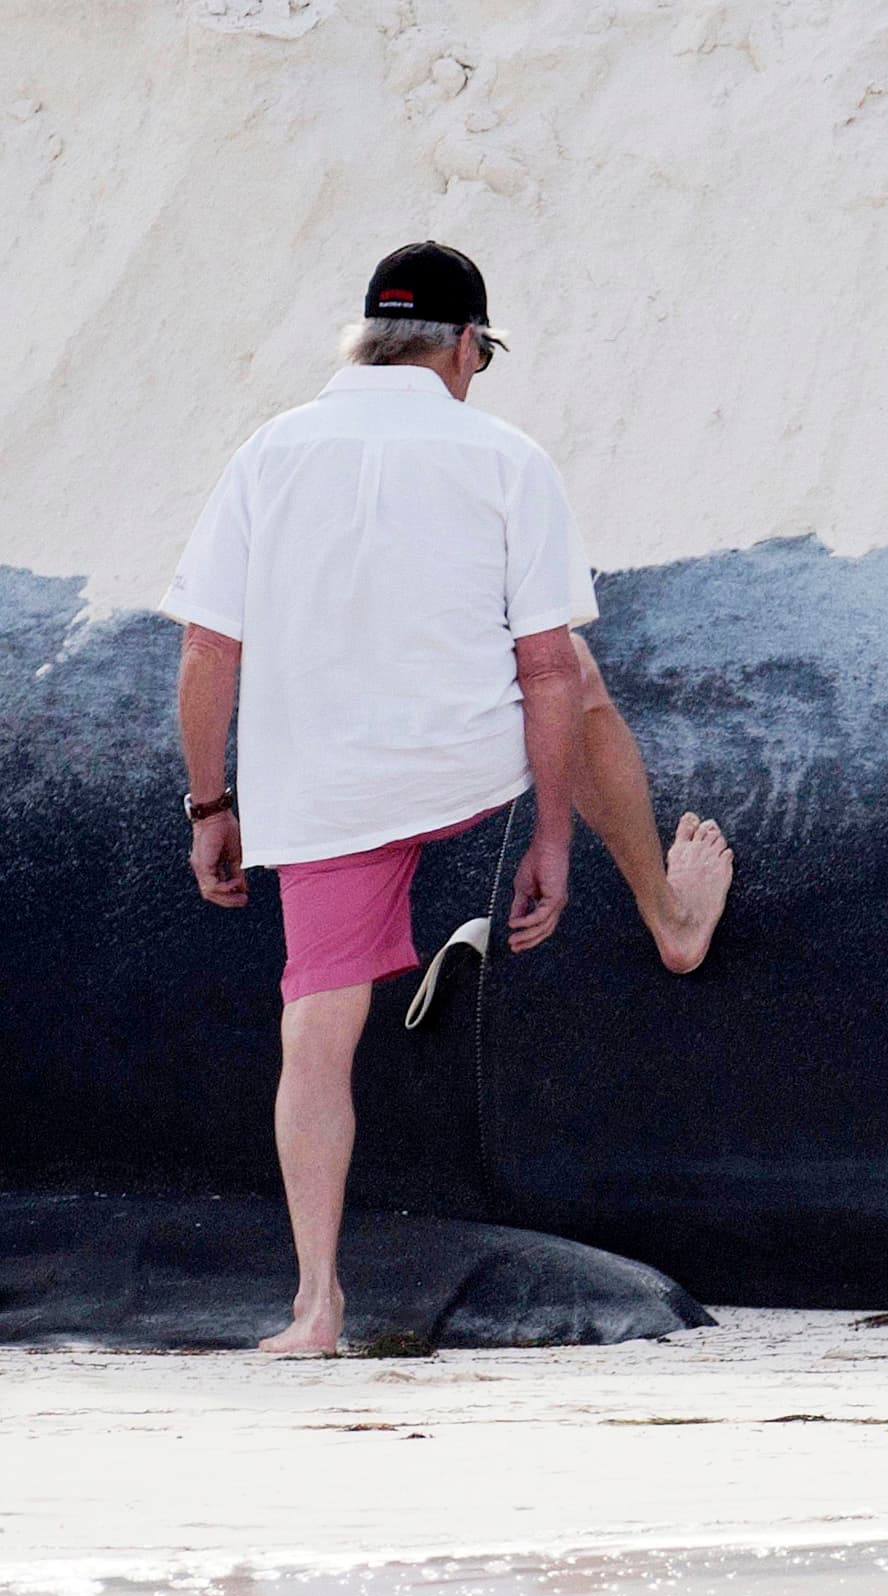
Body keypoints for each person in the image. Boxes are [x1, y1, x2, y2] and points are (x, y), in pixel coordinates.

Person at [160, 241, 733, 1356]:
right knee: (583, 674)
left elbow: (205, 649)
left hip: (322, 789)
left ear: (368, 341)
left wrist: (209, 805)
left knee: (315, 1029)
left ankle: (315, 1305)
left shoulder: (268, 450)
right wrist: (552, 838)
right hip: (465, 755)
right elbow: (546, 668)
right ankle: (670, 917)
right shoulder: (504, 455)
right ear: (466, 345)